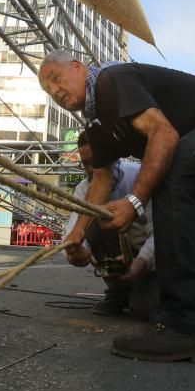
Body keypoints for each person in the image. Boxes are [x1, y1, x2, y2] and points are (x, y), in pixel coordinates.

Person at [38, 51, 195, 363]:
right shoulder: (96, 123)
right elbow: (101, 179)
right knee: (177, 193)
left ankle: (187, 326)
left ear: (78, 67)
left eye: (55, 78)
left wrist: (134, 201)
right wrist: (77, 235)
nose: (55, 92)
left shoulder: (111, 80)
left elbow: (163, 133)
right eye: (48, 91)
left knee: (172, 184)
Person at [65, 131, 157, 318]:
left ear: (112, 157)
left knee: (147, 308)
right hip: (118, 255)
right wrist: (76, 249)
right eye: (86, 163)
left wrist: (140, 262)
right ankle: (118, 290)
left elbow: (162, 233)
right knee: (89, 223)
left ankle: (145, 288)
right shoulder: (83, 189)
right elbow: (74, 229)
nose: (91, 170)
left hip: (150, 259)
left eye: (96, 161)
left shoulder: (140, 177)